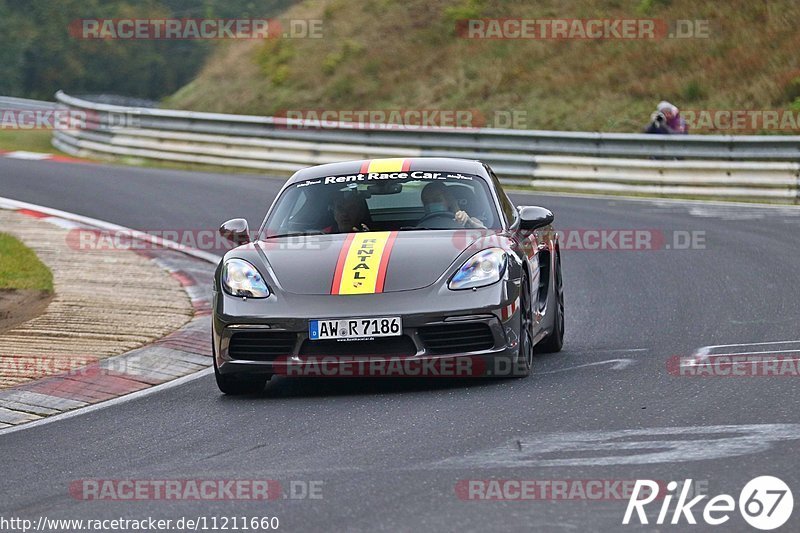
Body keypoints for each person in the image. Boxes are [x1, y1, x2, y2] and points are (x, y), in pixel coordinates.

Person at [420, 182, 485, 229]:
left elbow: (485, 234)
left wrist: (469, 222)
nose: (431, 204)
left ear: (448, 200)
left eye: (437, 200)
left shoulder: (470, 220)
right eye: (427, 202)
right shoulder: (420, 227)